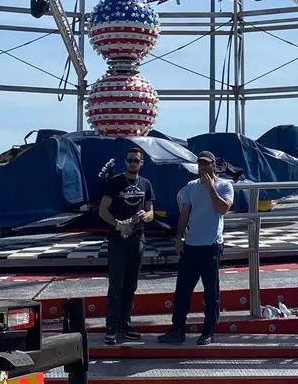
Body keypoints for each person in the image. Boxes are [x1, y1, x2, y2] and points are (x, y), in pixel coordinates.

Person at [158, 151, 234, 346]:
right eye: (200, 164)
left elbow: (223, 209)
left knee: (211, 292)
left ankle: (208, 330)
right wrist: (178, 237)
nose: (203, 168)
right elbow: (184, 214)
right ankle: (177, 330)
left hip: (211, 246)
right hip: (191, 246)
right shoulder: (191, 187)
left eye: (206, 164)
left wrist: (210, 189)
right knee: (182, 291)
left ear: (214, 166)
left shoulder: (224, 186)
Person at [98, 146, 154, 344]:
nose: (132, 163)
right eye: (129, 160)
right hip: (118, 239)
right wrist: (118, 224)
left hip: (137, 238)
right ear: (125, 162)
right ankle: (111, 327)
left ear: (141, 163)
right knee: (117, 285)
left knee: (131, 285)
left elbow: (150, 212)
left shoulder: (146, 184)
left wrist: (145, 216)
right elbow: (103, 210)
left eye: (135, 160)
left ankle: (124, 325)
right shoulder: (115, 183)